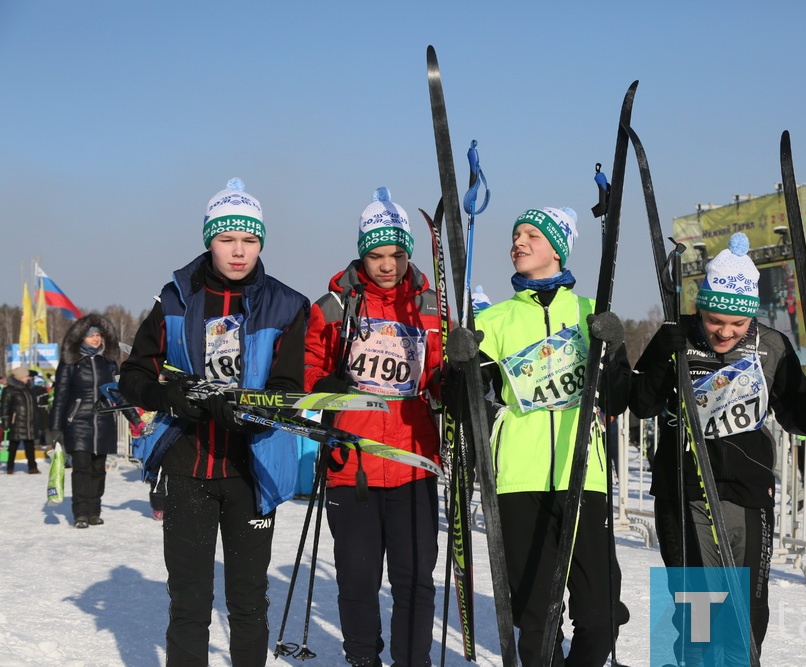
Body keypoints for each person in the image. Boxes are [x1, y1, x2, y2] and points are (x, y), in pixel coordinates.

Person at [118, 177, 308, 667]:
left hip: (252, 470)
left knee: (248, 601)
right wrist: (170, 395)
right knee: (189, 601)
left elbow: (289, 391)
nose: (239, 251)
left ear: (261, 241)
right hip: (188, 468)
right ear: (209, 240)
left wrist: (247, 409)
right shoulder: (174, 297)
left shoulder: (289, 305)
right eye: (227, 239)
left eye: (249, 239)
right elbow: (134, 374)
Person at [629, 232, 806, 662]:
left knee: (745, 610)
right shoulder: (677, 338)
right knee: (699, 609)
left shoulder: (773, 347)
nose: (724, 332)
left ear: (752, 319)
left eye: (736, 324)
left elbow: (797, 420)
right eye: (713, 321)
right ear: (699, 309)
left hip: (747, 490)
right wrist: (660, 360)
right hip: (684, 488)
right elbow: (641, 404)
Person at [449, 206, 632, 666]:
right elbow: (460, 404)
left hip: (583, 474)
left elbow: (620, 397)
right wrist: (460, 363)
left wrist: (610, 352)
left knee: (601, 615)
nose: (519, 242)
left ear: (558, 248)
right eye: (516, 235)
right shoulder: (495, 320)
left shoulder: (590, 312)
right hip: (518, 479)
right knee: (536, 618)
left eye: (532, 234)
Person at [303, 187, 442, 667]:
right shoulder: (333, 306)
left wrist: (457, 377)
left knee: (415, 580)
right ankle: (363, 659)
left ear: (409, 253)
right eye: (377, 255)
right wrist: (325, 382)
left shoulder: (429, 308)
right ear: (362, 253)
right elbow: (305, 376)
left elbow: (440, 380)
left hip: (413, 464)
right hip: (352, 463)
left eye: (397, 254)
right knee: (357, 580)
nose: (387, 265)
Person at [49, 314, 136, 527]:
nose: (95, 339)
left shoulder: (108, 363)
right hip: (77, 422)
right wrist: (55, 428)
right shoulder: (71, 362)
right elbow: (60, 395)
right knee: (82, 468)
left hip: (104, 422)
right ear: (81, 339)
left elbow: (118, 394)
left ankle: (94, 510)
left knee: (98, 470)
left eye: (98, 335)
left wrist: (134, 418)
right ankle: (81, 513)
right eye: (91, 336)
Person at [2, 366, 41, 474]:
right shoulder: (9, 390)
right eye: (26, 376)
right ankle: (10, 467)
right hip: (17, 421)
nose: (28, 378)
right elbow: (5, 407)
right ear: (20, 377)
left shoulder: (29, 389)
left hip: (29, 421)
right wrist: (5, 421)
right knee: (13, 445)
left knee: (30, 444)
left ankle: (32, 466)